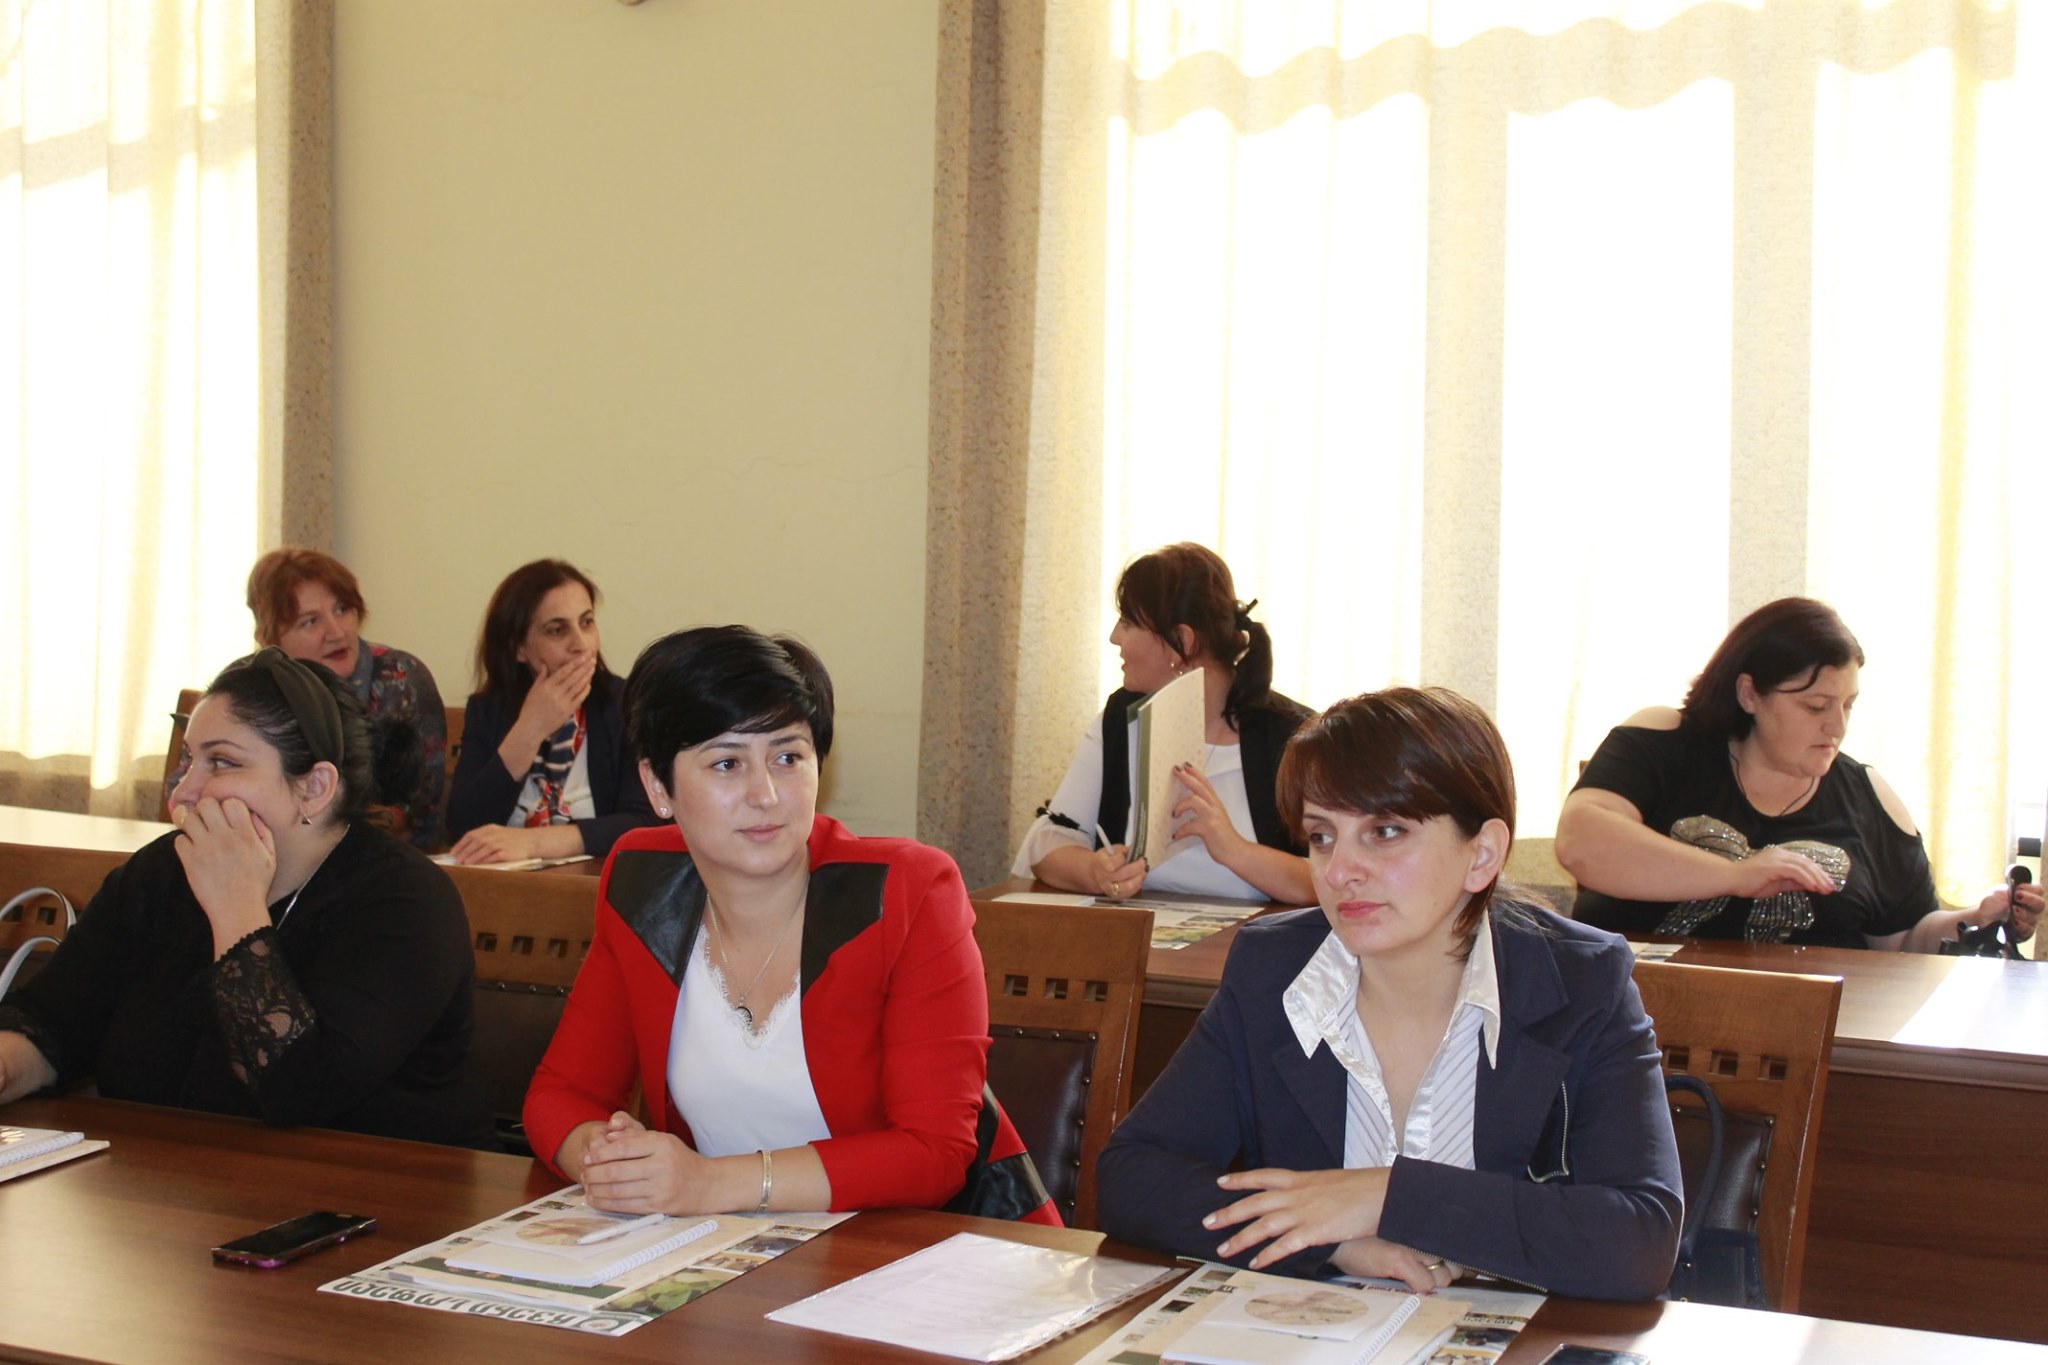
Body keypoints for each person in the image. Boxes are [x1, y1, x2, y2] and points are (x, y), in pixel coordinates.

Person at [1096, 687, 1681, 1300]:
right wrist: (1332, 1243)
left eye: (1386, 831)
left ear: (1482, 855)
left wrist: (1386, 1196)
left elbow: (1639, 1241)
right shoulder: (1274, 972)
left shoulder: (1581, 980)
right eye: (1322, 836)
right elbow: (1134, 1176)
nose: (1338, 871)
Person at [523, 625, 1058, 1223]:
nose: (766, 794)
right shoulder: (643, 882)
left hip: (930, 1249)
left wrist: (710, 1183)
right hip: (729, 1251)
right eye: (727, 763)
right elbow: (560, 1094)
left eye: (787, 757)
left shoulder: (908, 891)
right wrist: (612, 1163)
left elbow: (933, 1154)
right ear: (656, 786)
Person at [0, 650, 490, 1147]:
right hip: (162, 1175)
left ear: (314, 787)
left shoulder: (406, 901)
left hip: (367, 1184)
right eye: (189, 759)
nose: (183, 793)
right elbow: (53, 1025)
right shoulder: (160, 870)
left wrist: (235, 905)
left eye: (222, 762)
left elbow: (299, 1091)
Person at [1555, 597, 2044, 950]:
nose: (1837, 726)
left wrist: (1975, 919)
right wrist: (1737, 876)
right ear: (1750, 695)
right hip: (1636, 1026)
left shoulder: (1868, 794)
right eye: (1816, 706)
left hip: (1812, 1042)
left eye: (1848, 705)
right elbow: (1581, 841)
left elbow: (1904, 939)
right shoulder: (1666, 739)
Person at [1012, 543, 1313, 904]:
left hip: (1257, 940)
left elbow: (1333, 880)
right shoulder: (1121, 720)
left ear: (1181, 642)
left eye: (1128, 623)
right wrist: (1095, 872)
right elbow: (1048, 844)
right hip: (1135, 937)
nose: (1114, 637)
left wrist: (1232, 848)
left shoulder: (1294, 738)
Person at [445, 559, 657, 863]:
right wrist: (530, 729)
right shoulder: (488, 709)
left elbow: (647, 822)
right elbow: (463, 826)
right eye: (557, 630)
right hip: (504, 883)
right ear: (518, 647)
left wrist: (535, 843)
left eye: (586, 622)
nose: (581, 645)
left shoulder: (627, 704)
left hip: (591, 884)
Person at [245, 547, 448, 848]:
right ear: (270, 638)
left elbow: (419, 814)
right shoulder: (246, 687)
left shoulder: (401, 680)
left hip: (383, 855)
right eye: (310, 621)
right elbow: (189, 788)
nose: (336, 632)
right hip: (266, 851)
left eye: (342, 610)